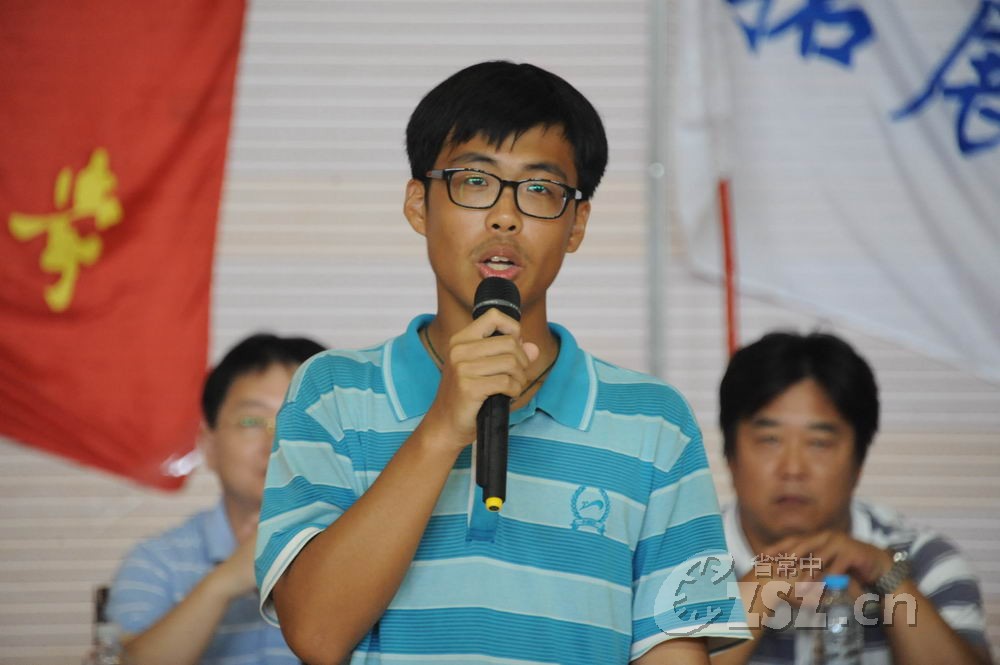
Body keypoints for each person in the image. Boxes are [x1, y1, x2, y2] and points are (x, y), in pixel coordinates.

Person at [254, 61, 749, 665]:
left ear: (577, 224)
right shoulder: (333, 392)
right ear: (418, 204)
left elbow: (674, 649)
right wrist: (443, 426)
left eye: (539, 190)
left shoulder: (655, 420)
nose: (505, 216)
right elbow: (315, 633)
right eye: (474, 181)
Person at [712, 331, 992, 665]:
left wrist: (888, 577)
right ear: (730, 455)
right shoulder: (682, 561)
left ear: (859, 461)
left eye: (819, 443)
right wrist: (762, 586)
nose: (793, 469)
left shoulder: (923, 559)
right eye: (770, 440)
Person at [107, 333, 325, 665]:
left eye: (298, 421)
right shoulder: (158, 561)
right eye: (251, 421)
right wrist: (227, 581)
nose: (276, 442)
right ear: (209, 446)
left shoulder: (373, 549)